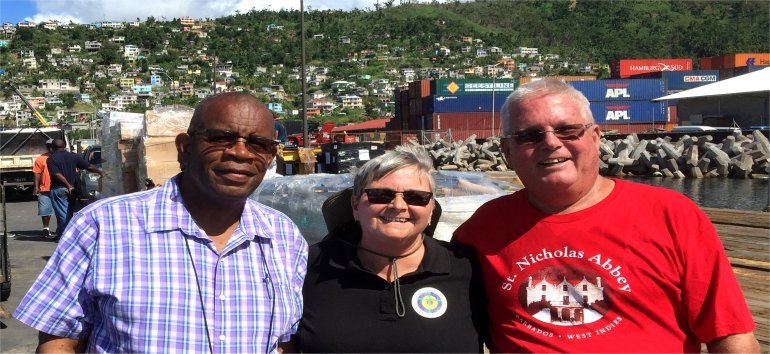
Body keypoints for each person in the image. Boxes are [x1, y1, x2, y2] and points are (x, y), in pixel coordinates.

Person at [453, 79, 759, 353]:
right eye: (530, 135)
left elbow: (731, 335)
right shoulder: (481, 230)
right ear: (507, 151)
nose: (551, 142)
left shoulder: (672, 215)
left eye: (567, 129)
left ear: (596, 136)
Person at [15, 92, 308, 353]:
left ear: (270, 156)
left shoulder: (283, 237)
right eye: (221, 138)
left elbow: (283, 343)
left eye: (258, 144)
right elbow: (60, 341)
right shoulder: (102, 226)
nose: (241, 153)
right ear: (184, 148)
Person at [296, 145, 488, 352]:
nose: (398, 205)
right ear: (355, 205)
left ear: (431, 209)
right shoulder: (310, 265)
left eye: (416, 197)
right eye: (380, 195)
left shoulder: (467, 268)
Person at [46, 138, 102, 237]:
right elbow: (89, 166)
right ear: (64, 146)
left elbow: (57, 174)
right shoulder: (73, 156)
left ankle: (66, 237)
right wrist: (100, 171)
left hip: (60, 189)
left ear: (53, 147)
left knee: (64, 215)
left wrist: (68, 186)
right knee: (68, 212)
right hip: (72, 190)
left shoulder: (51, 159)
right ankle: (61, 234)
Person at [33, 138, 55, 238]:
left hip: (59, 188)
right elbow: (37, 173)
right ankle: (46, 228)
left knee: (61, 211)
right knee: (45, 210)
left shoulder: (62, 156)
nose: (51, 148)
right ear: (47, 147)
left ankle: (61, 229)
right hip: (45, 189)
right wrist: (36, 186)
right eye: (49, 146)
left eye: (52, 146)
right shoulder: (41, 159)